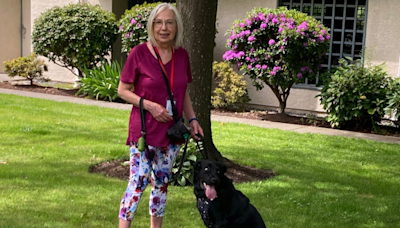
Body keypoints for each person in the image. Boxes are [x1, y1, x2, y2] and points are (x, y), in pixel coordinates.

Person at [117, 3, 203, 228]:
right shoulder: (139, 53)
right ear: (151, 26)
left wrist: (193, 119)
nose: (164, 27)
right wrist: (149, 106)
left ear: (176, 27)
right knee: (138, 183)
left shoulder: (182, 55)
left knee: (162, 184)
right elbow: (122, 90)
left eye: (169, 22)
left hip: (170, 134)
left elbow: (182, 93)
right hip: (143, 132)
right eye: (159, 22)